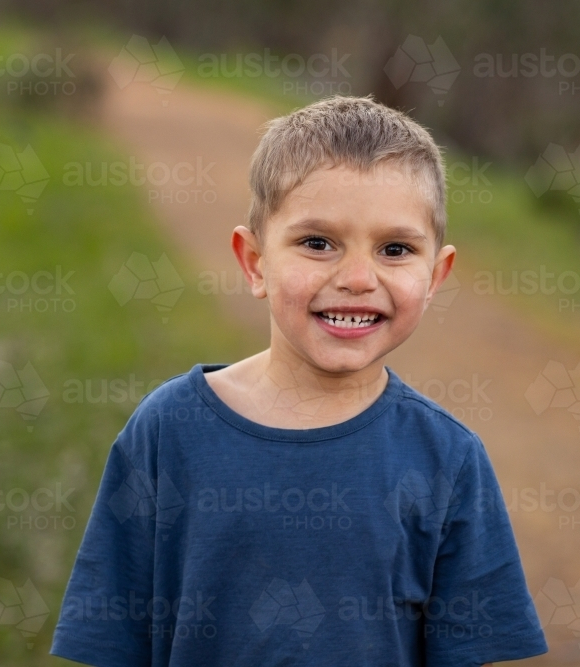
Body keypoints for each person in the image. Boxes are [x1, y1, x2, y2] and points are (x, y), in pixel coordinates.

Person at [50, 94, 548, 666]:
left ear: (435, 275)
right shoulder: (168, 432)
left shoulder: (448, 459)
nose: (358, 279)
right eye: (317, 243)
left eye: (395, 249)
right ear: (255, 261)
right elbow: (111, 641)